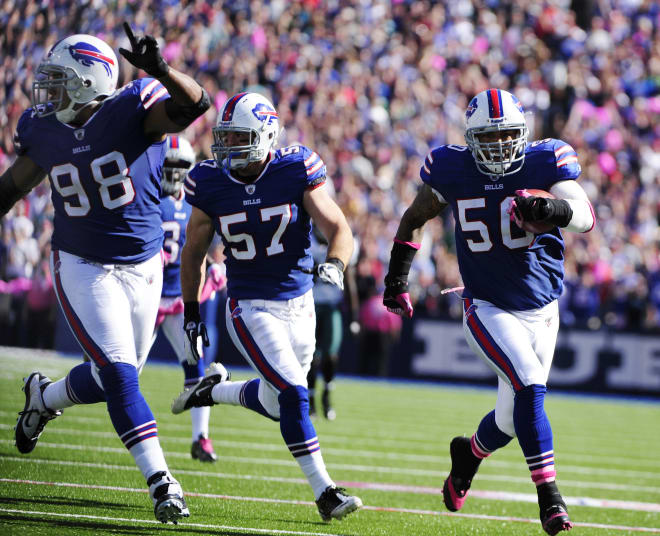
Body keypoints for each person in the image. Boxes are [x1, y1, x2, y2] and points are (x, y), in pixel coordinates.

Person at [2, 24, 211, 523]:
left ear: (87, 82)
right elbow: (10, 188)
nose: (48, 93)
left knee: (115, 377)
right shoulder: (45, 128)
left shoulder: (133, 110)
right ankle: (162, 482)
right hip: (82, 263)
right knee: (120, 375)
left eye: (59, 81)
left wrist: (160, 70)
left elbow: (194, 105)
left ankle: (43, 396)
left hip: (142, 266)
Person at [383, 88, 595, 536]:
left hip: (544, 309)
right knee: (530, 386)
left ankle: (469, 457)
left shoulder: (546, 161)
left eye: (506, 136)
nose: (498, 147)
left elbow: (585, 215)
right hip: (487, 304)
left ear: (523, 134)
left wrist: (550, 208)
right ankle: (549, 498)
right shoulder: (453, 168)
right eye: (489, 138)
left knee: (509, 421)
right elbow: (413, 218)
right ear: (471, 138)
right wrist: (396, 280)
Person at [171, 91, 362, 522]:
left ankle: (210, 391)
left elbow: (338, 227)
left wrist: (335, 263)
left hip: (300, 303)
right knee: (295, 396)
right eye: (227, 137)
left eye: (240, 137)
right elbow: (193, 252)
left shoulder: (294, 169)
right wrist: (191, 311)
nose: (230, 147)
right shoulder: (210, 181)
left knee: (279, 404)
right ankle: (325, 492)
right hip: (250, 307)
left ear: (266, 135)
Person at [150, 134, 225, 462]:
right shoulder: (147, 197)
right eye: (170, 165)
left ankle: (201, 437)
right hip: (148, 296)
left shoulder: (197, 203)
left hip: (180, 297)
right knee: (122, 370)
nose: (175, 172)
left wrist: (217, 263)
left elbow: (207, 244)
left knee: (197, 363)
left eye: (181, 166)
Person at [306, 222, 360, 420]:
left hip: (331, 307)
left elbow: (350, 279)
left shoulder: (341, 239)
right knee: (312, 356)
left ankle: (326, 397)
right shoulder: (306, 238)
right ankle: (311, 400)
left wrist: (354, 316)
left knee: (331, 355)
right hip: (309, 306)